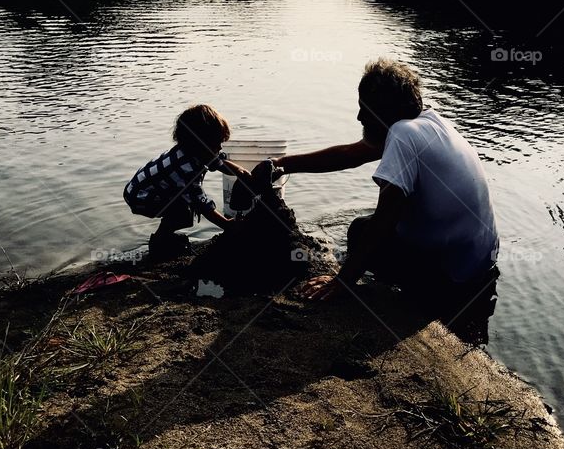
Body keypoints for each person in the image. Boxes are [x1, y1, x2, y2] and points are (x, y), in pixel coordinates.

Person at [259, 58, 499, 313]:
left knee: (360, 231)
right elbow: (351, 154)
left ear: (386, 111)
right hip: (482, 263)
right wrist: (280, 164)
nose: (359, 117)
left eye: (365, 109)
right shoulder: (429, 122)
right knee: (369, 229)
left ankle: (403, 302)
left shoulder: (402, 134)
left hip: (450, 277)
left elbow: (385, 219)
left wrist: (342, 281)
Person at [124, 104, 252, 258]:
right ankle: (159, 241)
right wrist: (227, 224)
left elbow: (218, 162)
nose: (220, 147)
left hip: (151, 189)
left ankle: (166, 235)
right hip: (140, 196)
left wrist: (240, 172)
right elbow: (203, 204)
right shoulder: (186, 168)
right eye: (216, 143)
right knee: (183, 212)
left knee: (185, 208)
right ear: (198, 143)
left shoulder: (198, 152)